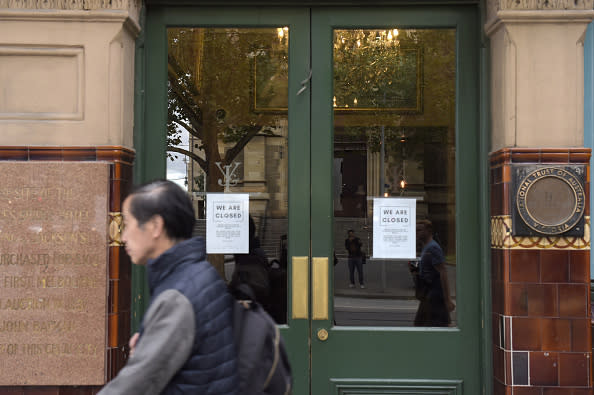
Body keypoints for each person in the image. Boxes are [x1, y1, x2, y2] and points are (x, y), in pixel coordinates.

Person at [98, 180, 238, 395]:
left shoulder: (177, 296)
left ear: (155, 226)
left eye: (127, 224)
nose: (122, 237)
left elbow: (134, 385)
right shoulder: (202, 274)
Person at [412, 219, 455, 327]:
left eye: (420, 230)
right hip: (429, 296)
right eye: (416, 230)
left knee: (426, 327)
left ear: (429, 231)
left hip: (434, 297)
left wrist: (448, 300)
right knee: (423, 326)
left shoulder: (433, 248)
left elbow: (443, 272)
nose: (417, 233)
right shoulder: (426, 247)